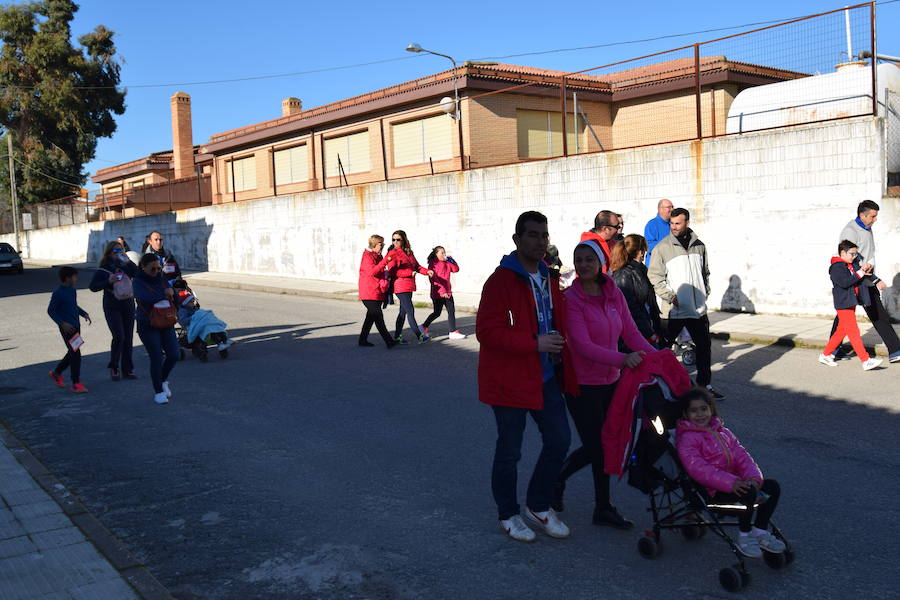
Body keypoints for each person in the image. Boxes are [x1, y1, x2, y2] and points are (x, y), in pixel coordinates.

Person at [477, 211, 578, 543]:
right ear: (517, 239)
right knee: (510, 451)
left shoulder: (548, 275)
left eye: (544, 235)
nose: (539, 241)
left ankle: (537, 504)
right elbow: (486, 332)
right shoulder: (501, 280)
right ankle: (508, 513)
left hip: (545, 375)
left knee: (560, 440)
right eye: (532, 234)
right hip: (510, 379)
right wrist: (534, 343)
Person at [553, 240, 656, 529]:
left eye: (589, 259)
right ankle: (564, 483)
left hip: (611, 381)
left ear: (601, 263)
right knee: (597, 445)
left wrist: (658, 356)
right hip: (582, 384)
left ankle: (599, 506)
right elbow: (582, 346)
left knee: (606, 443)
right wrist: (624, 359)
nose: (583, 265)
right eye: (579, 260)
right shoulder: (570, 299)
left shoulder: (613, 294)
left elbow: (632, 333)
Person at [676, 387, 786, 558]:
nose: (700, 414)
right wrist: (731, 482)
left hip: (737, 484)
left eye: (704, 409)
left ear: (711, 409)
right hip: (713, 491)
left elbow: (742, 456)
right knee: (748, 492)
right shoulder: (687, 439)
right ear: (685, 414)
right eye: (694, 411)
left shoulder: (723, 432)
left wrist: (753, 477)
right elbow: (698, 469)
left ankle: (759, 531)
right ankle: (744, 536)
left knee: (772, 487)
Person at [648, 207, 724, 399]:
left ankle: (705, 386)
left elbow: (705, 271)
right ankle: (661, 387)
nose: (673, 227)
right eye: (671, 223)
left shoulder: (699, 245)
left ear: (687, 223)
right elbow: (655, 276)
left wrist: (704, 292)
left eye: (677, 223)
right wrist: (670, 296)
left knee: (704, 349)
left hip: (698, 310)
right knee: (665, 350)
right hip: (675, 311)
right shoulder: (662, 247)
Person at [832, 200, 900, 363]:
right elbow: (850, 261)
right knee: (869, 315)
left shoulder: (866, 228)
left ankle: (833, 350)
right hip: (857, 282)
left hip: (865, 279)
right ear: (862, 215)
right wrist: (874, 279)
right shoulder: (850, 231)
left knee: (848, 316)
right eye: (872, 216)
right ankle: (895, 350)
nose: (875, 219)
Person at [819, 240, 883, 371]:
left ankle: (825, 355)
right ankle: (865, 360)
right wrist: (859, 273)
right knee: (853, 331)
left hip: (849, 301)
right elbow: (844, 282)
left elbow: (857, 275)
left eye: (855, 254)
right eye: (852, 254)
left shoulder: (849, 264)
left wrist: (864, 270)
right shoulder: (836, 267)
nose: (854, 257)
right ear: (842, 253)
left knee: (841, 331)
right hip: (843, 303)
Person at [89, 241, 139, 381]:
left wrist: (128, 261)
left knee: (128, 338)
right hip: (112, 306)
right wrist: (108, 281)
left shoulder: (127, 266)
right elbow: (93, 287)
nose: (119, 253)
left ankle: (128, 369)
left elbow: (138, 273)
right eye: (115, 251)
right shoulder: (103, 269)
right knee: (119, 336)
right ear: (109, 253)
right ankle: (114, 367)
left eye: (120, 250)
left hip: (128, 304)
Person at [134, 253, 178, 405]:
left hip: (166, 321)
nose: (157, 272)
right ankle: (158, 392)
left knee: (174, 355)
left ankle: (162, 380)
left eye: (159, 268)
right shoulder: (137, 280)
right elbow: (144, 297)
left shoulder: (162, 278)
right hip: (147, 324)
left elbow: (174, 296)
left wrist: (174, 294)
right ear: (143, 267)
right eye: (153, 269)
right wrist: (165, 294)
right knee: (157, 357)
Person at [609, 234, 664, 346]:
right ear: (640, 252)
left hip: (647, 329)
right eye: (644, 250)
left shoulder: (640, 270)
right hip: (637, 335)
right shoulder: (623, 275)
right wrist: (649, 333)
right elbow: (631, 309)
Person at [47, 266, 91, 393]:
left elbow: (73, 305)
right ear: (67, 278)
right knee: (76, 354)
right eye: (74, 276)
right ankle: (76, 383)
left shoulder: (72, 290)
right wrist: (62, 323)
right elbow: (51, 310)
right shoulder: (58, 293)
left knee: (73, 352)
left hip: (76, 326)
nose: (76, 278)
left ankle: (56, 372)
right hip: (67, 328)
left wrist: (83, 313)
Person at [386, 230, 433, 344]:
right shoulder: (392, 253)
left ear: (404, 240)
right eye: (393, 239)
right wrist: (409, 273)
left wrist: (428, 272)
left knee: (403, 312)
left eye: (398, 239)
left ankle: (397, 337)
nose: (395, 242)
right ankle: (420, 336)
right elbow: (393, 272)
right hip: (400, 285)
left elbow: (417, 266)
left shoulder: (409, 252)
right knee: (410, 310)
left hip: (409, 286)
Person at [357, 235, 396, 348]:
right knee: (378, 317)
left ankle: (362, 340)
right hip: (368, 292)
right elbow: (373, 272)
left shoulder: (378, 255)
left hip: (377, 290)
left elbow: (380, 270)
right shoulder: (367, 257)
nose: (383, 246)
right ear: (373, 244)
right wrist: (385, 261)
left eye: (383, 244)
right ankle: (389, 341)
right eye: (380, 244)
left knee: (370, 317)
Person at [421, 246, 465, 340]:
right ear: (436, 254)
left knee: (451, 311)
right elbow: (433, 279)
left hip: (447, 291)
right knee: (437, 312)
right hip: (438, 292)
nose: (444, 254)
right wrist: (442, 291)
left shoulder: (447, 262)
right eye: (442, 253)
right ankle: (423, 326)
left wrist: (451, 260)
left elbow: (456, 269)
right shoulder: (433, 264)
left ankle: (453, 332)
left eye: (444, 252)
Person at [643, 198, 674, 266]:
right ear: (660, 209)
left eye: (672, 207)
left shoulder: (673, 224)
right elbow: (648, 246)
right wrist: (668, 246)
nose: (672, 209)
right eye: (669, 207)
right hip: (656, 266)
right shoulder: (652, 224)